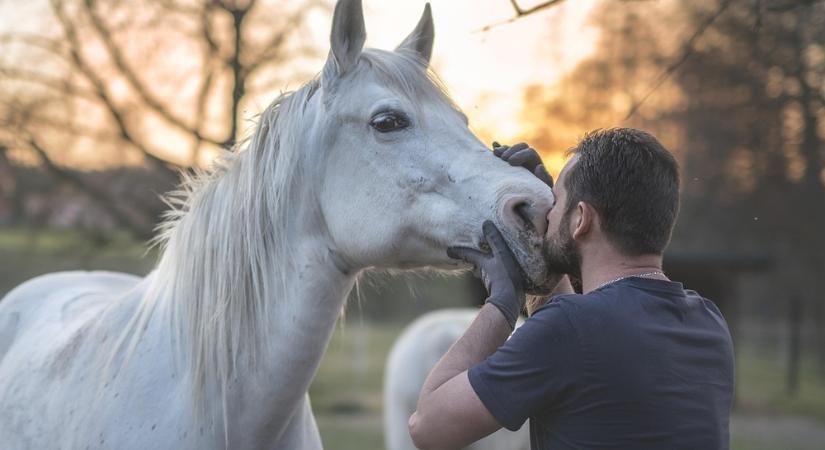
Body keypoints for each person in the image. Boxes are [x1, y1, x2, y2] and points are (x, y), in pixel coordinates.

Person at [408, 128, 735, 450]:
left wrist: (502, 305)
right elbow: (583, 345)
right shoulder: (709, 323)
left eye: (557, 201)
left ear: (581, 219)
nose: (548, 214)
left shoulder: (570, 330)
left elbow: (428, 426)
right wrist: (543, 245)